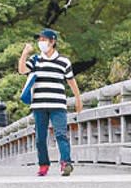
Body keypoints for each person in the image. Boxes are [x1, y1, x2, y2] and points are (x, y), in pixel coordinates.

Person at [18, 28, 83, 177]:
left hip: (58, 104)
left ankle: (66, 163)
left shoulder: (63, 61)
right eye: (39, 40)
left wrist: (78, 99)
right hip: (39, 105)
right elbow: (22, 70)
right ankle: (43, 164)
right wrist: (24, 53)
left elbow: (71, 81)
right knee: (40, 137)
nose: (41, 43)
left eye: (44, 40)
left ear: (52, 41)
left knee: (61, 134)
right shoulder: (35, 60)